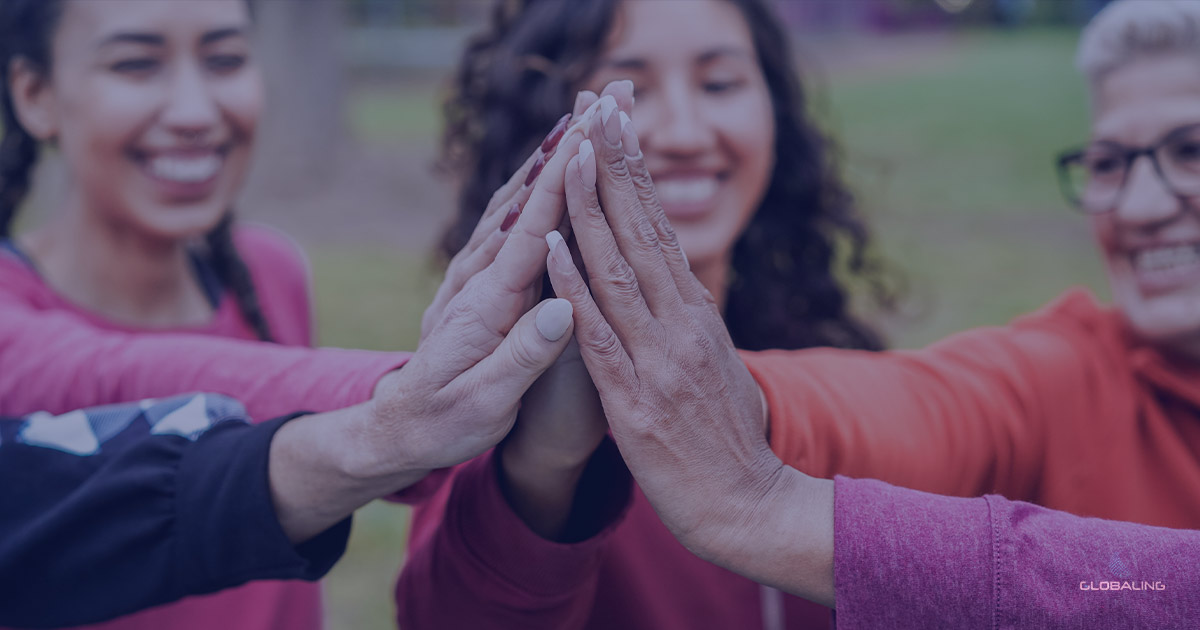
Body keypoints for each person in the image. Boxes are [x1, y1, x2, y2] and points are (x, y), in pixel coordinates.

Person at [542, 0, 1200, 626]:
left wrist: (773, 510)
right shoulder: (1066, 375)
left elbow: (1142, 586)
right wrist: (703, 390)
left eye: (1191, 152)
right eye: (1109, 163)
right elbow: (915, 407)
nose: (1138, 207)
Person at [0, 1, 597, 626]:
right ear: (35, 94)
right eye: (135, 64)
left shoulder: (271, 273)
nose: (194, 111)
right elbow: (120, 378)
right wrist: (398, 401)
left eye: (225, 59)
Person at [397, 1, 890, 627]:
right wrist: (541, 476)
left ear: (777, 111)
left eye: (719, 83)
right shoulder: (486, 399)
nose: (684, 134)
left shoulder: (830, 368)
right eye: (625, 92)